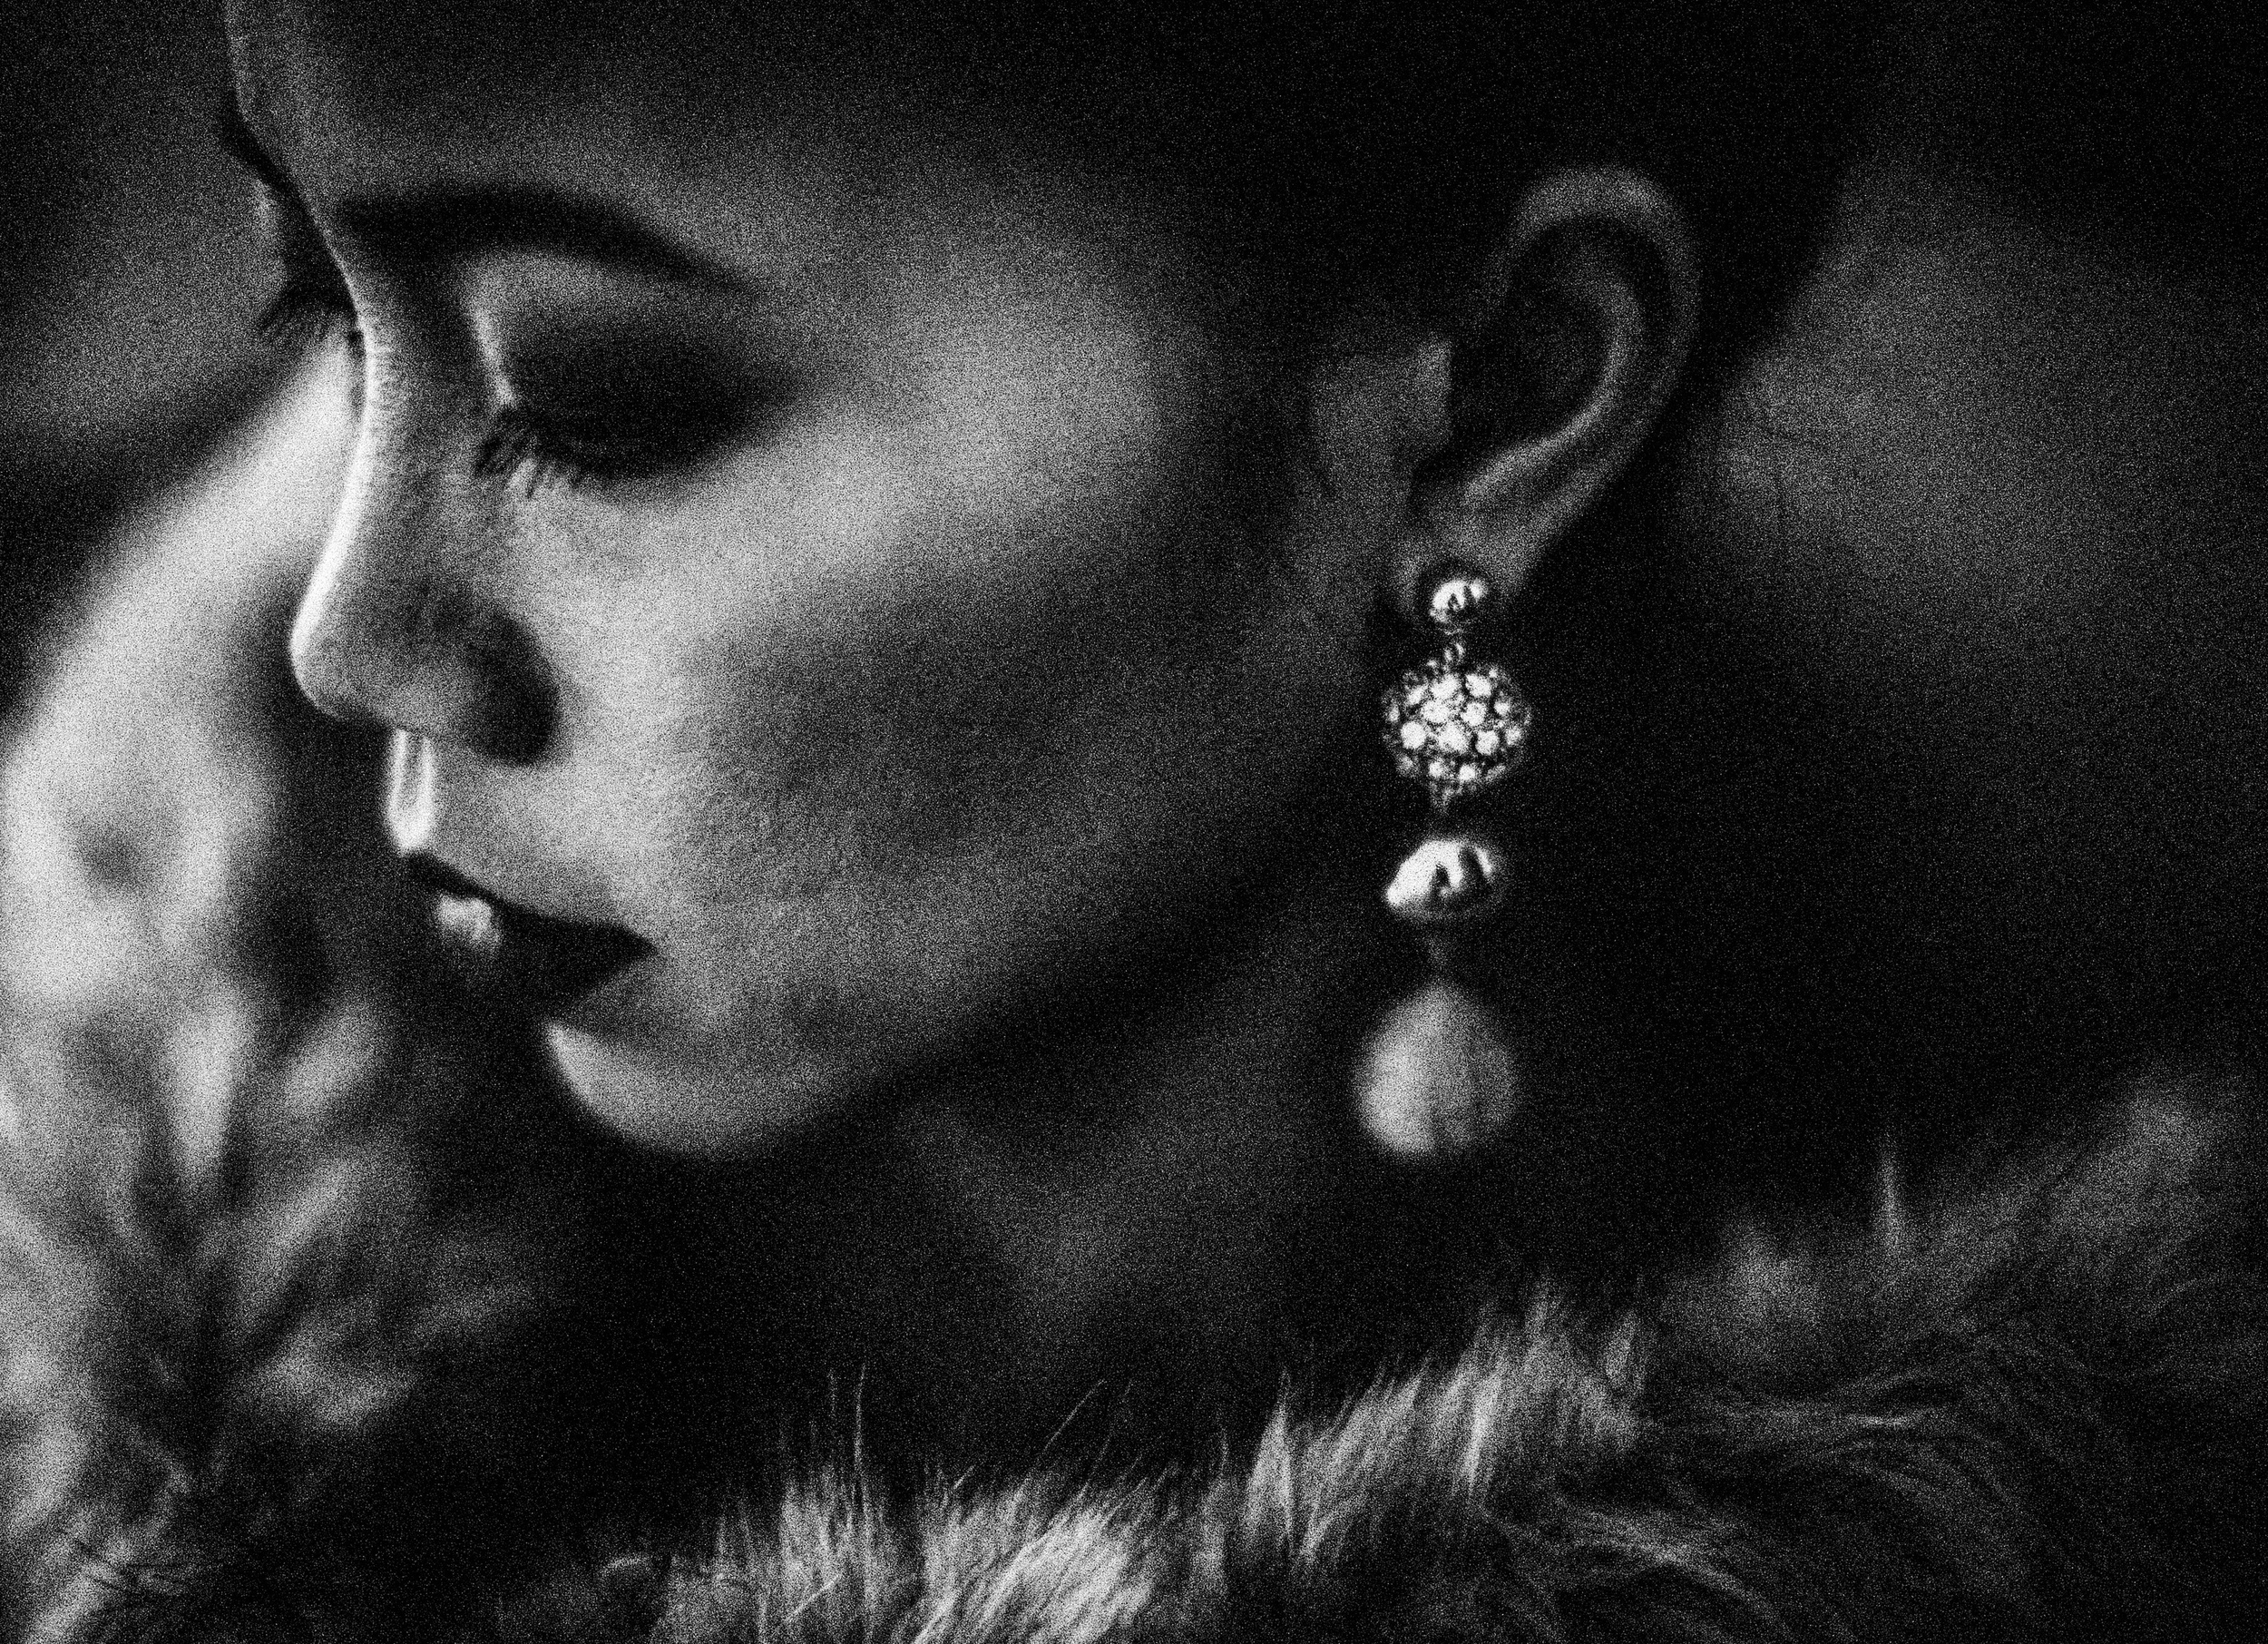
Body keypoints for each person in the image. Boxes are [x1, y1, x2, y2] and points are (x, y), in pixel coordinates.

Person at [2, 1, 2263, 1639]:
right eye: (330, 312)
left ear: (1496, 396)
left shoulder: (2093, 1500)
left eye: (601, 402)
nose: (344, 639)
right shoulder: (100, 1175)